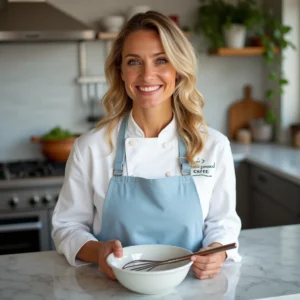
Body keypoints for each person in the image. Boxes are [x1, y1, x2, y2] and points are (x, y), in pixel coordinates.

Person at [52, 10, 241, 281]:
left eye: (161, 60)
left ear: (178, 69)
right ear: (121, 71)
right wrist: (98, 252)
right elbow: (66, 227)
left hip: (192, 288)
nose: (147, 74)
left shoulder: (212, 146)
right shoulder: (91, 148)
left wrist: (216, 252)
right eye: (133, 62)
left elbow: (222, 222)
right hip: (112, 290)